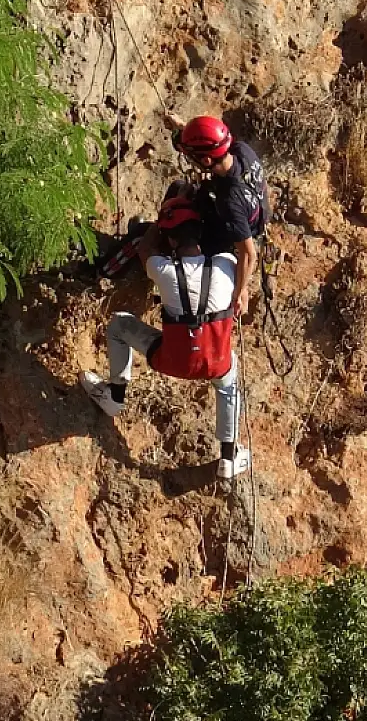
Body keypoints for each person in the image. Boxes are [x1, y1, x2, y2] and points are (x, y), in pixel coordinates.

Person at [81, 212, 251, 480]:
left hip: (170, 359)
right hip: (214, 362)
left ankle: (114, 396)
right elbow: (242, 254)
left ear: (171, 241)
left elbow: (145, 248)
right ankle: (228, 458)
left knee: (118, 325)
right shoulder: (225, 264)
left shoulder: (164, 269)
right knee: (229, 383)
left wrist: (158, 225)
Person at [165, 113, 270, 319]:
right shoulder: (242, 151)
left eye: (192, 156)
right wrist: (184, 129)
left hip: (234, 232)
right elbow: (212, 142)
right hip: (254, 213)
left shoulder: (229, 201)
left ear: (206, 160)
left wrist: (240, 292)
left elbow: (248, 254)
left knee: (181, 210)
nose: (190, 160)